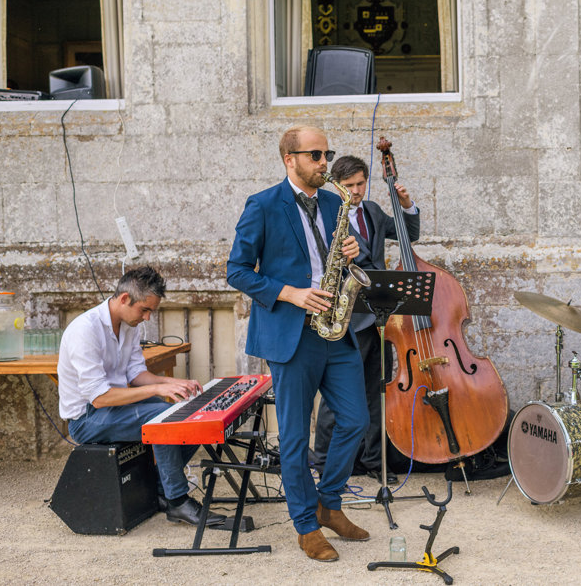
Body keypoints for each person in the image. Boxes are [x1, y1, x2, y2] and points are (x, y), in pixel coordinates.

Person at [226, 125, 371, 563]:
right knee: (293, 437)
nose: (324, 162)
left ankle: (328, 503)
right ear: (289, 159)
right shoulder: (263, 205)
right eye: (314, 155)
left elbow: (347, 252)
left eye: (326, 153)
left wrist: (353, 248)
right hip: (291, 331)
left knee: (355, 420)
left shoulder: (333, 201)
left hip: (334, 328)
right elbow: (237, 271)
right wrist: (291, 293)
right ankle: (307, 525)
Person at [57, 266, 225, 527]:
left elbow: (136, 374)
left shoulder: (128, 323)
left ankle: (160, 486)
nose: (147, 318)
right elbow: (99, 398)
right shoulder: (84, 331)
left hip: (116, 406)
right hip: (87, 419)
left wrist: (173, 383)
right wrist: (158, 390)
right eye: (144, 310)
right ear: (124, 299)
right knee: (162, 416)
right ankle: (178, 501)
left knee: (188, 411)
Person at [310, 154, 420, 485]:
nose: (356, 191)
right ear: (337, 185)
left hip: (378, 318)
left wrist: (406, 205)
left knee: (376, 390)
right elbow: (320, 261)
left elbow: (407, 235)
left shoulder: (372, 210)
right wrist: (345, 258)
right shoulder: (327, 213)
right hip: (346, 317)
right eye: (349, 186)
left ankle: (374, 458)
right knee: (337, 395)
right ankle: (324, 460)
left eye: (360, 184)